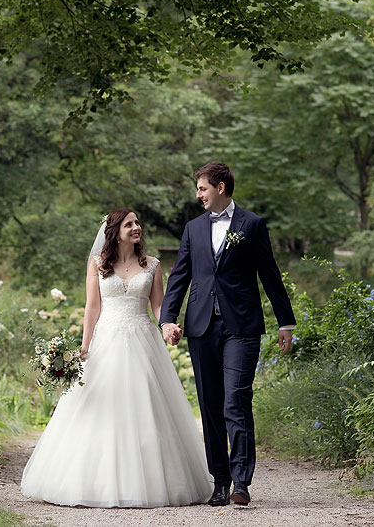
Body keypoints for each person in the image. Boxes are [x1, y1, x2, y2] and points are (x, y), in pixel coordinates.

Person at [21, 208, 212, 507]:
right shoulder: (98, 265)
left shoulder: (152, 265)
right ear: (115, 231)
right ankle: (93, 483)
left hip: (142, 341)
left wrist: (168, 326)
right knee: (100, 409)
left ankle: (153, 482)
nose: (136, 228)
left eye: (137, 223)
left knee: (146, 407)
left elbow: (159, 308)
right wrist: (84, 348)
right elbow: (92, 308)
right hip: (106, 342)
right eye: (129, 224)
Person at [159, 161, 295, 506]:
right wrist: (167, 319)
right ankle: (219, 481)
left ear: (220, 187)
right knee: (210, 406)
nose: (198, 194)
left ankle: (241, 483)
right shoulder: (192, 228)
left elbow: (270, 275)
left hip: (242, 327)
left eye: (203, 188)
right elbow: (180, 277)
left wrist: (285, 322)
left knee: (236, 401)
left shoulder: (252, 225)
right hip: (201, 326)